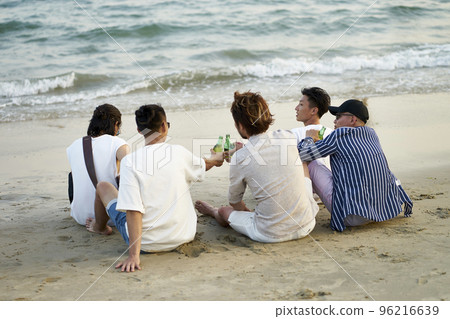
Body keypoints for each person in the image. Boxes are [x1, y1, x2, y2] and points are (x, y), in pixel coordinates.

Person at [86, 104, 224, 272]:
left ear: (138, 130)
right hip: (183, 236)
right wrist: (216, 159)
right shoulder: (179, 153)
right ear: (164, 126)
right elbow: (203, 165)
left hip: (148, 244)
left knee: (103, 187)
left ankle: (99, 227)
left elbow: (133, 210)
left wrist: (134, 255)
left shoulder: (130, 162)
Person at [196, 91, 319, 243]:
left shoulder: (240, 158)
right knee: (302, 162)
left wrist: (249, 214)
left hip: (270, 233)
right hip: (307, 224)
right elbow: (264, 148)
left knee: (224, 211)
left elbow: (235, 202)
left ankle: (214, 212)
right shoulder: (287, 136)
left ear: (240, 126)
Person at [298, 99, 413, 231]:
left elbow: (303, 155)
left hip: (352, 216)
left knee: (312, 164)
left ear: (352, 120)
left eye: (338, 117)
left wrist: (309, 138)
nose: (334, 121)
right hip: (383, 210)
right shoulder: (372, 134)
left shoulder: (339, 135)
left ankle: (302, 208)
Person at [66, 104, 130, 226]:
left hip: (79, 217)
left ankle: (81, 207)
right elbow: (132, 168)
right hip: (110, 217)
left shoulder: (73, 146)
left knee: (73, 174)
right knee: (126, 172)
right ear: (116, 124)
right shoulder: (118, 143)